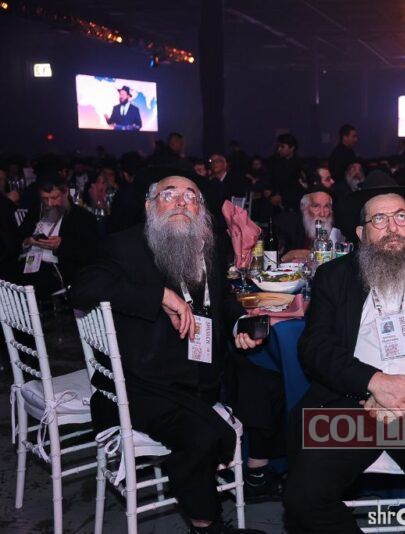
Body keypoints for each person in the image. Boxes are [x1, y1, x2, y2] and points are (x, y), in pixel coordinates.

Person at [283, 175, 405, 534]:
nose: (392, 228)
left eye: (400, 217)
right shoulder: (333, 277)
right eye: (379, 219)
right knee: (303, 495)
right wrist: (373, 382)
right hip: (355, 405)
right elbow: (315, 347)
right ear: (361, 233)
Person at [69, 174, 266, 534]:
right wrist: (158, 295)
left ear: (201, 210)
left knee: (267, 386)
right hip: (142, 383)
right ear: (149, 207)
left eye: (191, 197)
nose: (180, 202)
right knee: (202, 437)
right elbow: (82, 288)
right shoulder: (124, 245)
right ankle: (206, 526)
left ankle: (261, 474)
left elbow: (223, 299)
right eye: (169, 194)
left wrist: (239, 324)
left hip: (200, 375)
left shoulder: (207, 243)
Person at [14, 175, 98, 295]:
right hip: (28, 263)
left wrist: (61, 245)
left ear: (65, 193)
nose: (49, 203)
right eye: (45, 199)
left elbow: (90, 253)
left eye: (54, 198)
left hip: (56, 268)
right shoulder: (36, 211)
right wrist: (27, 242)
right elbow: (18, 237)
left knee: (32, 284)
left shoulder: (82, 218)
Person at [274, 186, 343, 262]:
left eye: (326, 207)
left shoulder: (340, 227)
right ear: (304, 208)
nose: (322, 214)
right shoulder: (288, 225)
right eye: (316, 206)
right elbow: (278, 257)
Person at [266, 133, 306, 212]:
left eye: (282, 147)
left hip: (293, 204)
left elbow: (299, 188)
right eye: (278, 147)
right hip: (274, 201)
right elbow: (270, 179)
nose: (279, 149)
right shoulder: (275, 162)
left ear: (292, 148)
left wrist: (282, 197)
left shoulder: (299, 165)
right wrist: (268, 191)